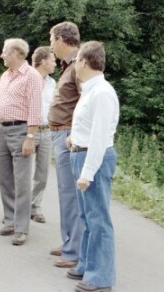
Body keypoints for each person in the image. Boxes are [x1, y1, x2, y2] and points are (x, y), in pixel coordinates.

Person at [66, 41, 119, 292]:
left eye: (77, 60)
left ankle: (100, 279)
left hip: (94, 159)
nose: (74, 64)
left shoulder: (102, 92)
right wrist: (74, 138)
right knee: (87, 217)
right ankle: (87, 265)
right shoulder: (90, 89)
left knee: (99, 220)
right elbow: (88, 127)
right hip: (81, 153)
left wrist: (87, 173)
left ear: (85, 62)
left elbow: (99, 137)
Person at [0, 38, 42, 246]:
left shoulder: (32, 77)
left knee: (22, 181)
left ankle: (21, 228)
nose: (2, 55)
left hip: (21, 131)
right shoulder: (5, 76)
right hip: (2, 128)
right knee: (5, 179)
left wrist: (30, 137)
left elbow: (35, 109)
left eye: (5, 52)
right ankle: (9, 220)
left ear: (18, 54)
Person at [48, 21, 83, 267]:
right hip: (61, 133)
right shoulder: (67, 66)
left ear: (61, 39)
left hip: (69, 135)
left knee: (71, 193)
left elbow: (85, 101)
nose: (50, 45)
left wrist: (76, 134)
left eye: (51, 40)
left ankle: (75, 251)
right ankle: (68, 242)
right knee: (64, 191)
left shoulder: (79, 65)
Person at [29, 46, 57, 224]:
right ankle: (18, 207)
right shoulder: (27, 79)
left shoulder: (52, 83)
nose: (55, 63)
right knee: (22, 173)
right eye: (52, 60)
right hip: (28, 130)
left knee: (43, 173)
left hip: (47, 131)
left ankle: (35, 206)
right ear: (43, 61)